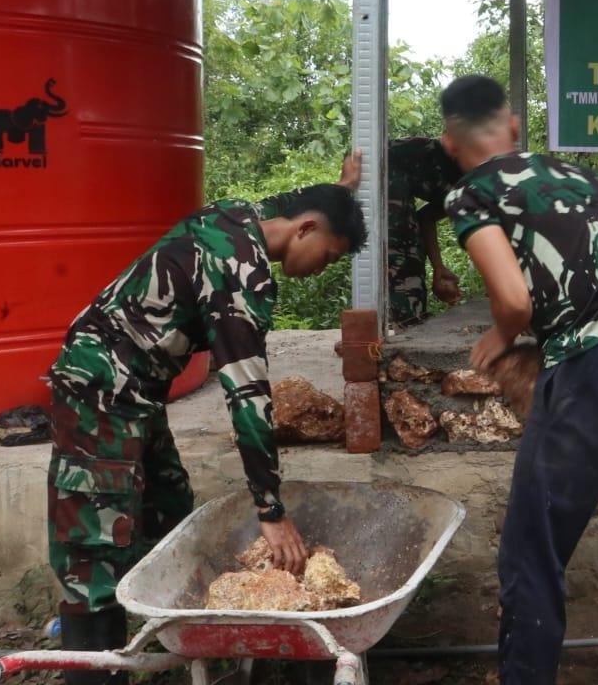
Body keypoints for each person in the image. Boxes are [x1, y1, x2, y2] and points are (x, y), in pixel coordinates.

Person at [46, 185, 367, 685]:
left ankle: (167, 648)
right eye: (328, 255)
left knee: (168, 507)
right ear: (306, 227)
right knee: (95, 541)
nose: (322, 268)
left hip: (136, 389)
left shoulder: (238, 215)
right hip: (99, 388)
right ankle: (93, 668)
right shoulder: (243, 274)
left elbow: (302, 201)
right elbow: (248, 396)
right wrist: (270, 510)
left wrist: (344, 190)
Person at [438, 75, 598, 685]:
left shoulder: (473, 193)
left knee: (532, 556)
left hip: (591, 370)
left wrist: (502, 337)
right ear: (513, 127)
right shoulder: (576, 176)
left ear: (449, 143)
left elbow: (514, 300)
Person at [265, 141, 465, 325]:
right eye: (327, 258)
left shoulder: (465, 191)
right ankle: (401, 327)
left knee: (402, 257)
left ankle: (398, 326)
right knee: (401, 259)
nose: (319, 271)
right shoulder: (481, 186)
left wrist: (438, 267)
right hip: (384, 162)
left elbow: (426, 217)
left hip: (394, 165)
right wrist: (343, 189)